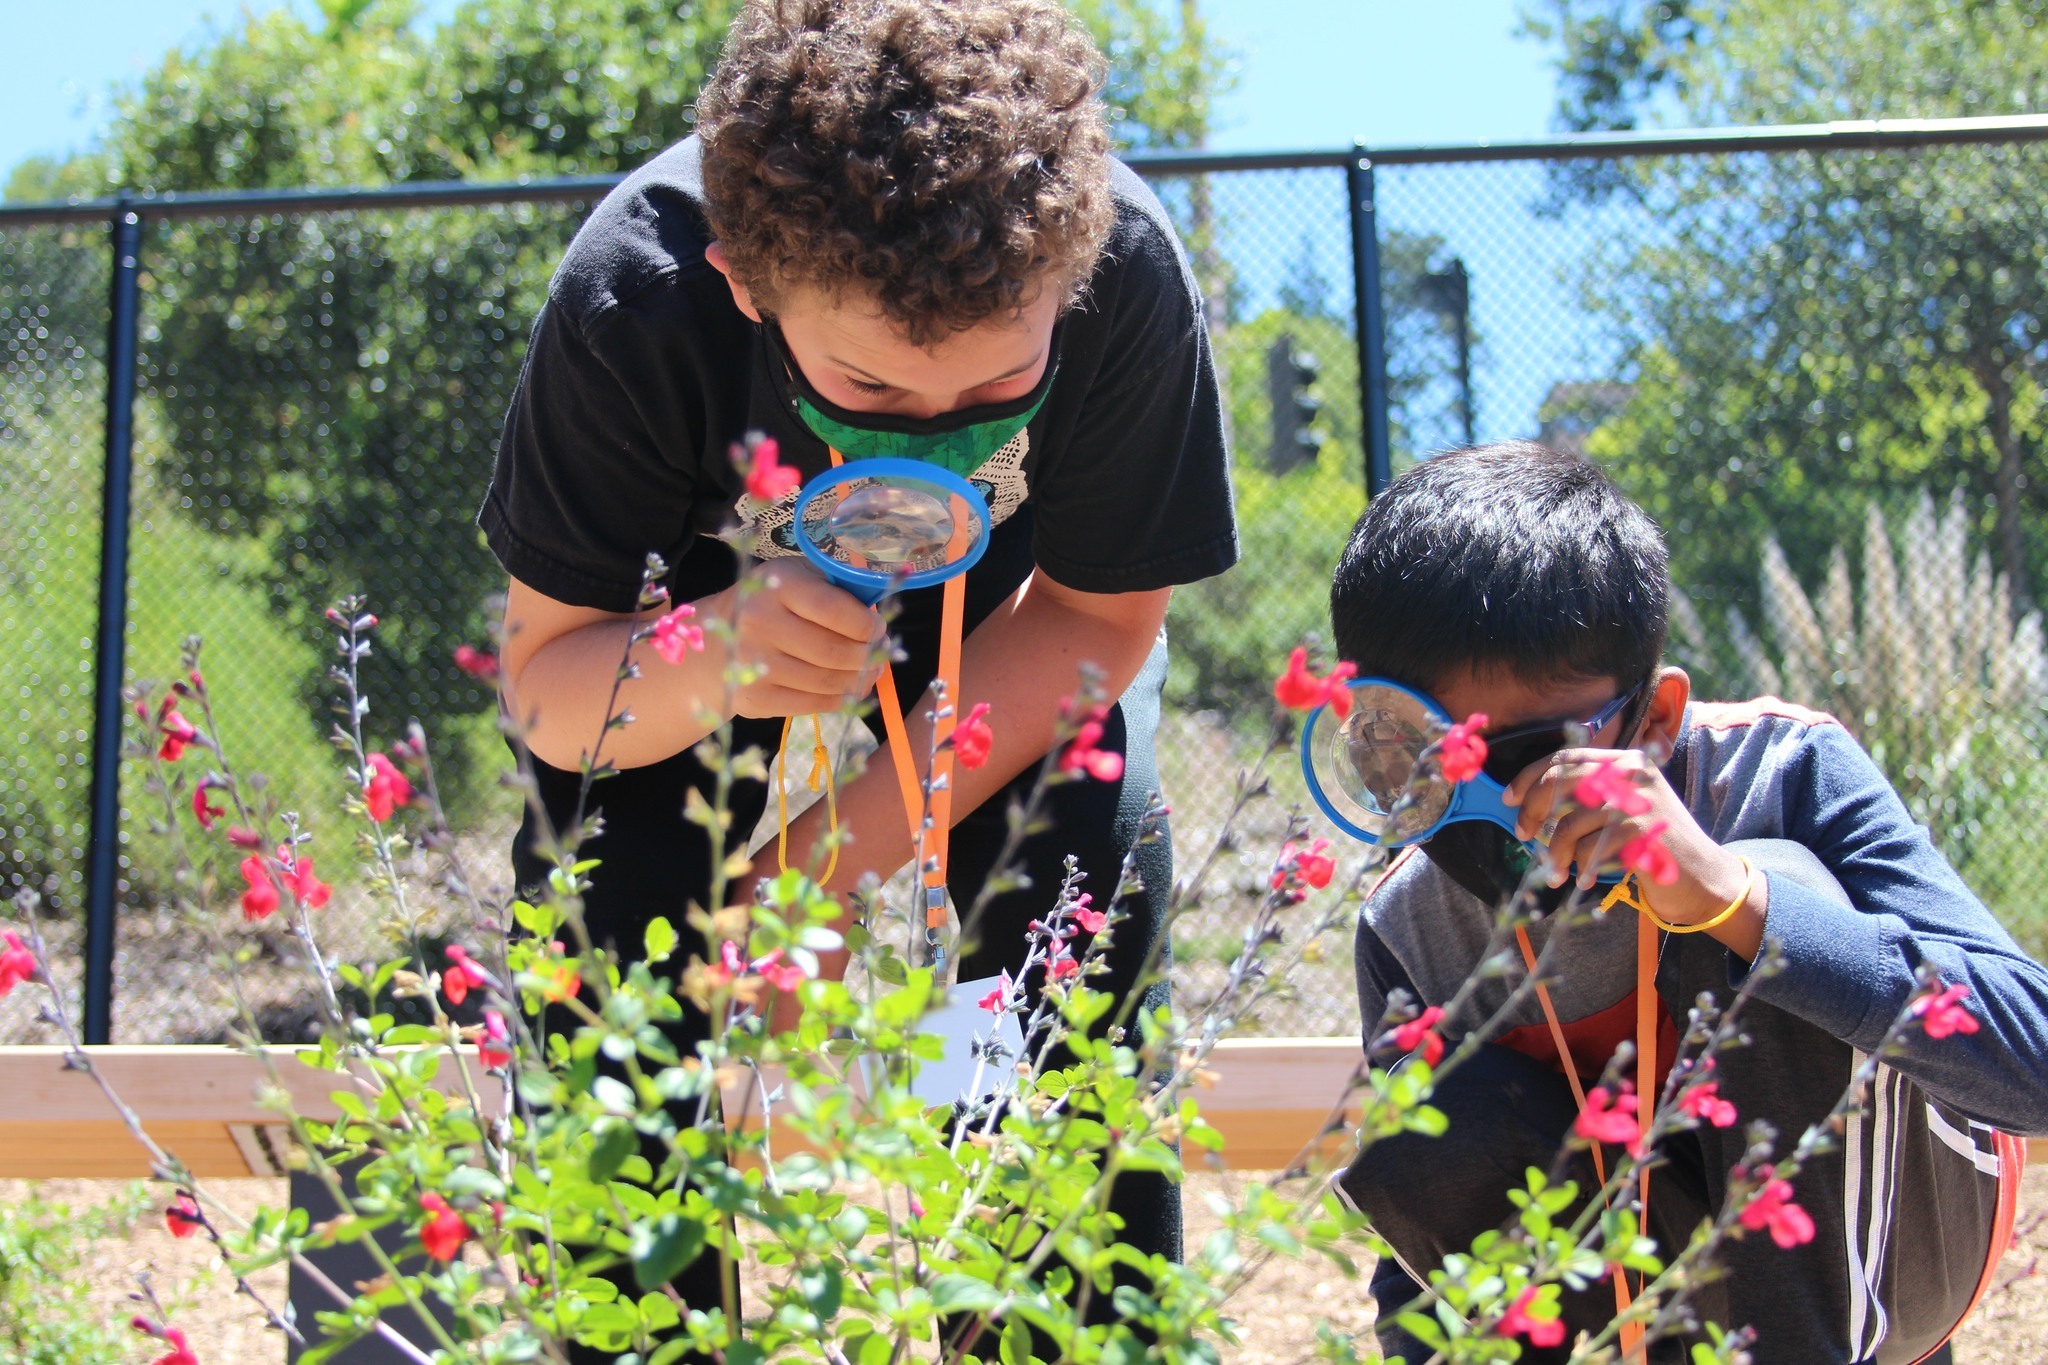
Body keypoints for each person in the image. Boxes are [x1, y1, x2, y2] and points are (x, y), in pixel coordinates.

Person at [477, 0, 1233, 1348]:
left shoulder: (1124, 275)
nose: (940, 447)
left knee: (1068, 894)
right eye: (873, 397)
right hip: (699, 642)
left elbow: (1097, 622)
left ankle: (1039, 1315)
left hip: (1014, 639)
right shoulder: (634, 306)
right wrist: (712, 655)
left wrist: (816, 874)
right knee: (608, 907)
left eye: (998, 389)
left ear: (1067, 281)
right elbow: (547, 683)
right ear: (746, 283)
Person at [1324, 443, 2048, 1363]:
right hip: (1639, 1302)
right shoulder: (1408, 921)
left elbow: (2035, 1065)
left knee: (1777, 890)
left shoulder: (1785, 771)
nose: (1484, 802)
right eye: (1411, 754)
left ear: (1655, 719)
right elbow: (1425, 1235)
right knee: (1430, 1116)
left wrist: (1730, 897)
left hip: (1889, 1265)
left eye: (1525, 754)